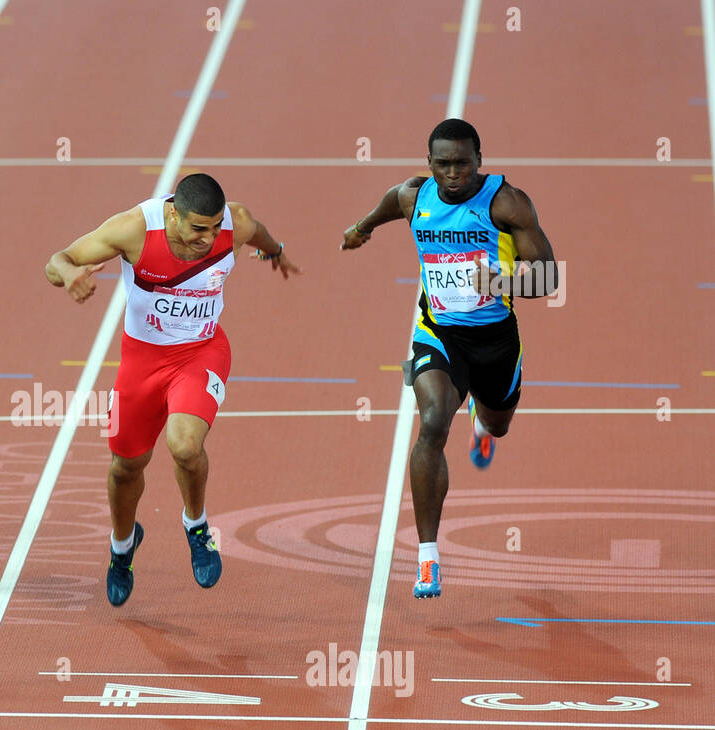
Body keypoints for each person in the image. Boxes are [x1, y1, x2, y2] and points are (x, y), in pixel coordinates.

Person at [45, 173, 300, 606]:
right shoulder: (134, 230)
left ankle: (196, 526)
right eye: (198, 228)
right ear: (172, 215)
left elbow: (258, 232)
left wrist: (274, 252)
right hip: (142, 361)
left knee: (184, 446)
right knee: (126, 466)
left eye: (215, 227)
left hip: (201, 352)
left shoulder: (233, 223)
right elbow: (58, 259)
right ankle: (122, 550)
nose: (209, 237)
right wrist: (69, 276)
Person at [341, 118, 557, 598]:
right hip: (438, 333)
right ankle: (427, 557)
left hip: (495, 341)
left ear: (479, 161)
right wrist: (360, 229)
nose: (453, 173)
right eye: (443, 164)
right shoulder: (415, 197)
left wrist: (499, 282)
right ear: (430, 164)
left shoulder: (506, 204)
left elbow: (547, 280)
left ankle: (483, 422)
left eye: (462, 163)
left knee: (499, 423)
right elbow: (388, 205)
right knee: (433, 422)